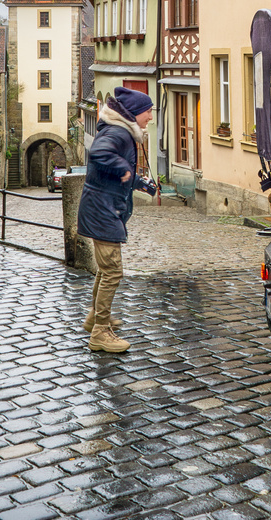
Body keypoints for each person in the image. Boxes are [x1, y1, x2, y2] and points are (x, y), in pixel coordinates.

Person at [76, 86, 156, 354]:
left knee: (105, 268)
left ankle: (95, 318)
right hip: (102, 210)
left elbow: (107, 170)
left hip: (102, 206)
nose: (150, 118)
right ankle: (100, 332)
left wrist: (137, 182)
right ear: (135, 113)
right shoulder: (118, 132)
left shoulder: (122, 131)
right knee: (112, 271)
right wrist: (123, 168)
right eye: (148, 112)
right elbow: (99, 153)